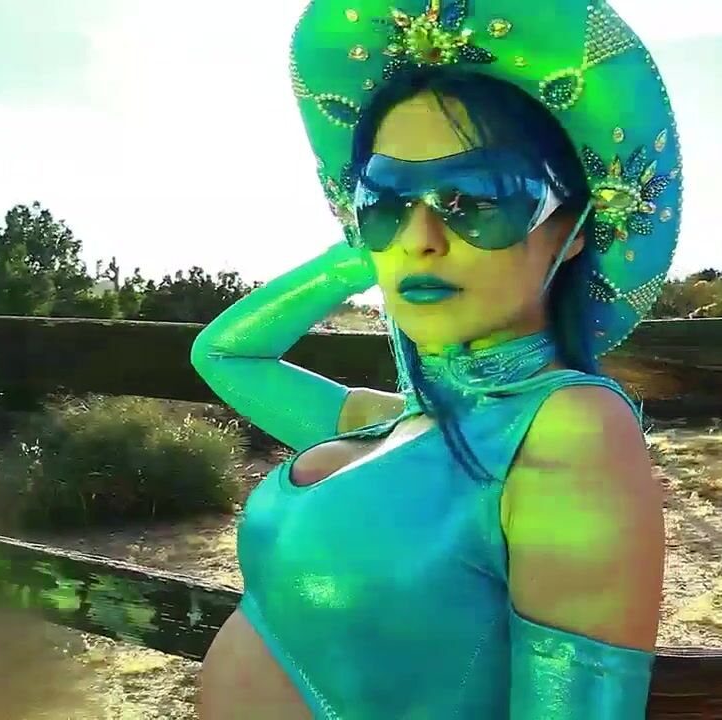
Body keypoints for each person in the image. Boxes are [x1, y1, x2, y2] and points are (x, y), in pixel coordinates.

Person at [194, 0, 682, 717]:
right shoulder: (404, 422)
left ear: (575, 228)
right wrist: (357, 254)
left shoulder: (568, 428)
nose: (421, 236)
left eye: (479, 197)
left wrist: (380, 232)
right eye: (385, 198)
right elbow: (224, 355)